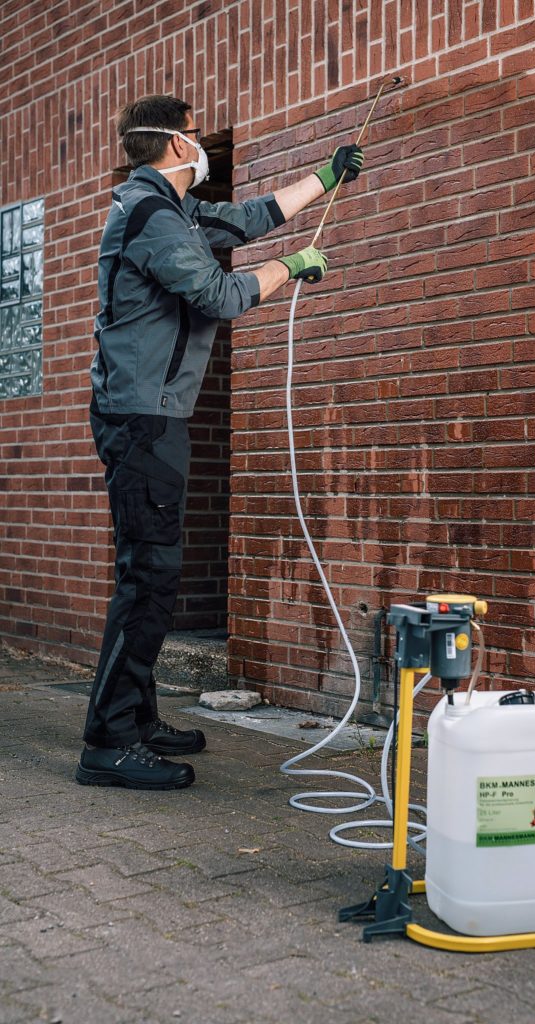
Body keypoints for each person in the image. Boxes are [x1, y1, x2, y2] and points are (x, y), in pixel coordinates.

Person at [76, 95, 364, 790]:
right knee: (149, 578)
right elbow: (216, 295)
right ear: (177, 146)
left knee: (151, 574)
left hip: (150, 415)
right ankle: (109, 743)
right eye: (196, 136)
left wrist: (325, 177)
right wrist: (291, 268)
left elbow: (247, 218)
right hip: (140, 419)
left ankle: (136, 720)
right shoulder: (151, 216)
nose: (200, 145)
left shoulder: (172, 208)